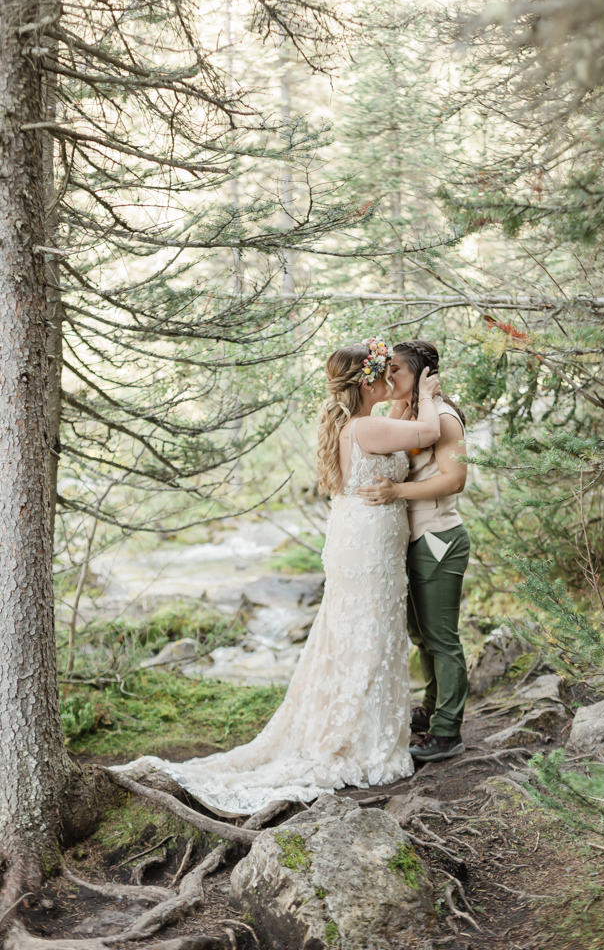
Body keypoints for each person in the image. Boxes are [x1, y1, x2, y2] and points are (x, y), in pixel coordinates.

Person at [113, 338, 441, 816]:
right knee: (366, 637)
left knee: (357, 634)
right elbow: (428, 433)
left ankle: (354, 728)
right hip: (366, 541)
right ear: (366, 382)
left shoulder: (359, 424)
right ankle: (352, 738)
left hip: (362, 536)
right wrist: (427, 391)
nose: (390, 377)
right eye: (382, 372)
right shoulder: (366, 427)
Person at [357, 340, 469, 764]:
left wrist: (395, 492)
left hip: (439, 538)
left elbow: (454, 480)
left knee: (442, 639)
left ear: (421, 374)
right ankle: (432, 707)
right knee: (421, 636)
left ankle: (447, 732)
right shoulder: (407, 414)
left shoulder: (444, 418)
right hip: (410, 541)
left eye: (397, 370)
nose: (389, 378)